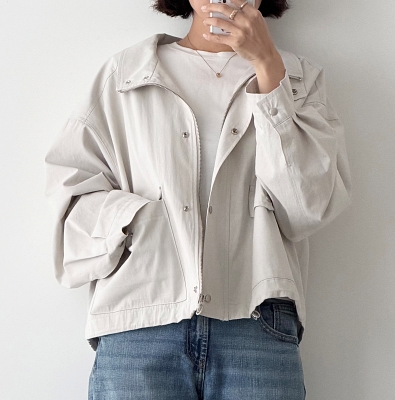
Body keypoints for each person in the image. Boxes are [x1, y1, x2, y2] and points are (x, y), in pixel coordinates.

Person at [44, 0, 353, 398]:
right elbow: (69, 197)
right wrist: (138, 221)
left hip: (256, 319)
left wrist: (268, 69)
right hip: (141, 316)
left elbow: (309, 207)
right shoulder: (126, 73)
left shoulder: (298, 79)